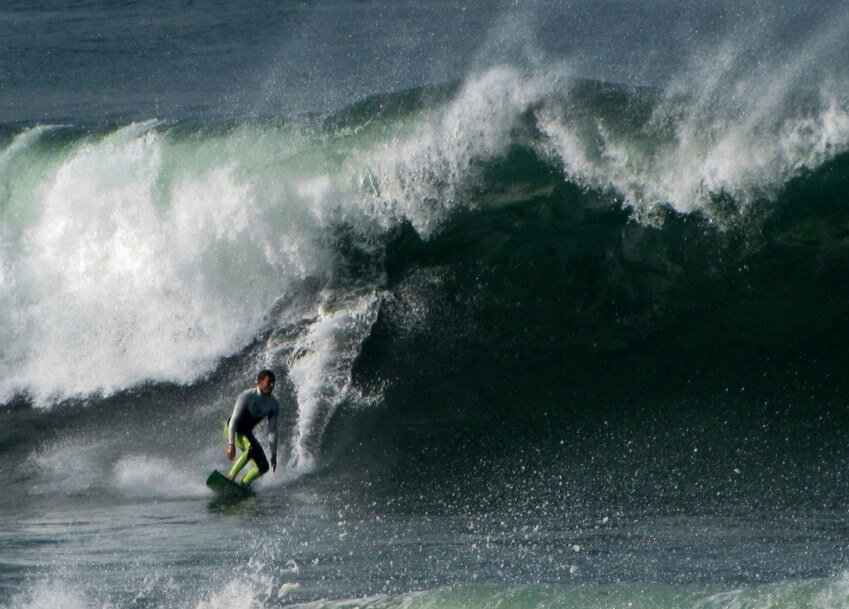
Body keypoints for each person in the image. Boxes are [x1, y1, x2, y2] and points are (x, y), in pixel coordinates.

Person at [223, 369, 280, 486]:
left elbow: (272, 431)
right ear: (259, 382)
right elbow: (234, 419)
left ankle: (243, 484)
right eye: (269, 382)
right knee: (251, 448)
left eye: (273, 382)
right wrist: (231, 444)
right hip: (232, 429)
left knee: (264, 466)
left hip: (246, 433)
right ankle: (230, 477)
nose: (272, 385)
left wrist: (274, 454)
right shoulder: (247, 396)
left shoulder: (273, 405)